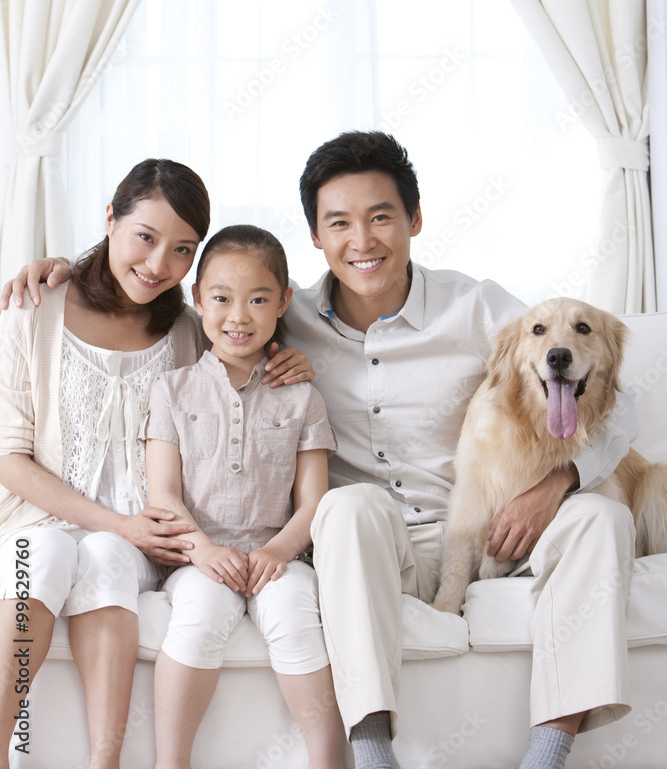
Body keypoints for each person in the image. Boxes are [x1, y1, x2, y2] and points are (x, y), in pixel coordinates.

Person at [2, 133, 638, 769]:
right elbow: (206, 310)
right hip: (369, 539)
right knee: (348, 505)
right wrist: (62, 269)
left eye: (381, 217)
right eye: (339, 223)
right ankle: (371, 754)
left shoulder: (480, 309)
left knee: (602, 517)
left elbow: (617, 402)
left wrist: (557, 484)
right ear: (315, 236)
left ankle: (548, 753)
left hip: (480, 527)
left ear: (415, 220)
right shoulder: (280, 315)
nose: (361, 241)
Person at [0, 161, 310, 769]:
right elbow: (8, 458)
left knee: (108, 554)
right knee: (53, 550)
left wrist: (289, 362)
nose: (158, 264)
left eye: (182, 250)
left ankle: (106, 761)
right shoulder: (32, 313)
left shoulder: (193, 333)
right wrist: (116, 524)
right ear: (110, 219)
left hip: (147, 544)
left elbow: (255, 334)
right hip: (40, 526)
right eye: (144, 236)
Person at [144, 225, 346, 769]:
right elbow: (163, 493)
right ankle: (172, 762)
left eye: (258, 299)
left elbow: (313, 503)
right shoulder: (172, 390)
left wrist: (278, 553)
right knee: (201, 613)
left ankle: (330, 760)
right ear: (197, 300)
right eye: (222, 299)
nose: (239, 316)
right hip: (197, 557)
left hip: (278, 556)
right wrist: (204, 552)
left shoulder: (302, 397)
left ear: (283, 302)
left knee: (295, 611)